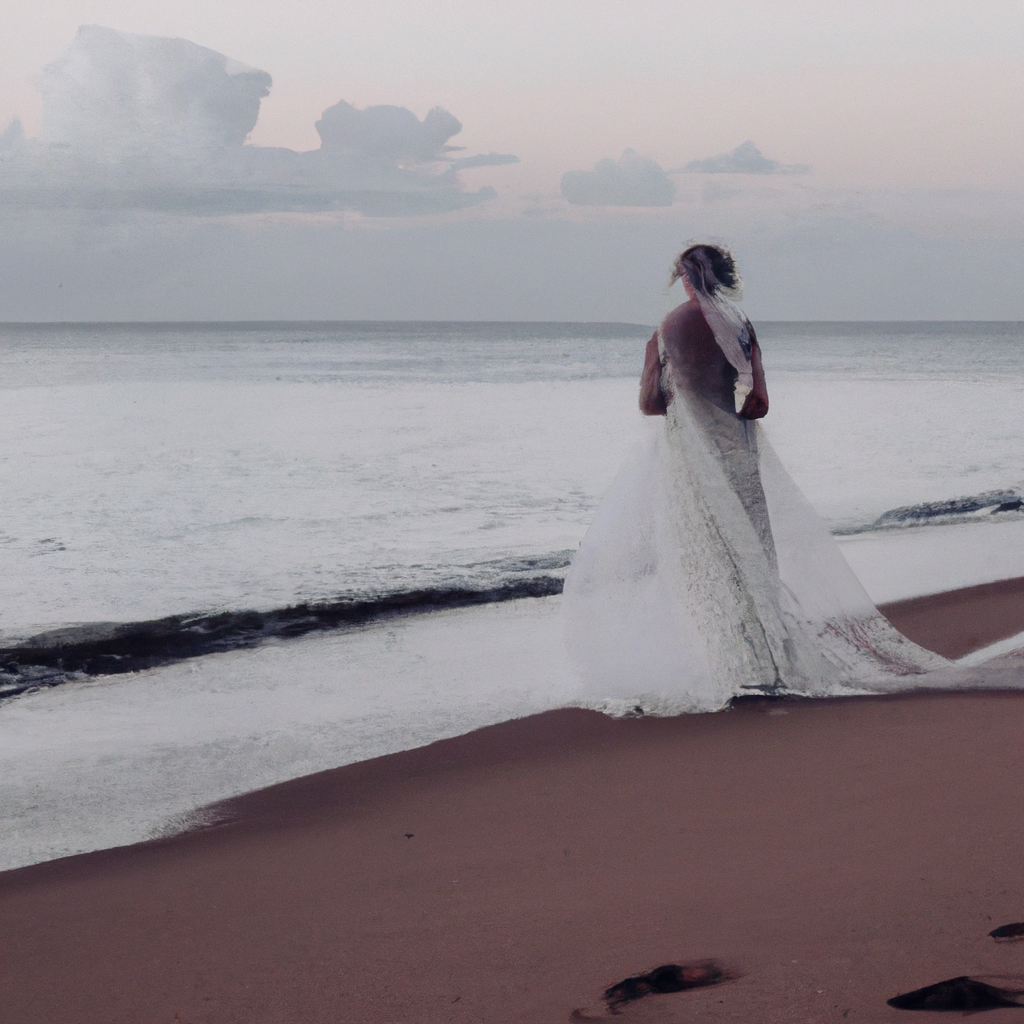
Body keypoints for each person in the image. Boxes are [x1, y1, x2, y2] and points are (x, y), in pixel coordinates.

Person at [562, 244, 945, 713]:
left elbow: (650, 405)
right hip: (739, 456)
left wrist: (682, 395)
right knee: (754, 558)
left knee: (711, 562)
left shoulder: (666, 330)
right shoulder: (741, 326)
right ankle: (770, 668)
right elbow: (759, 401)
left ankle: (735, 670)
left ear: (683, 278)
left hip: (693, 462)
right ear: (723, 277)